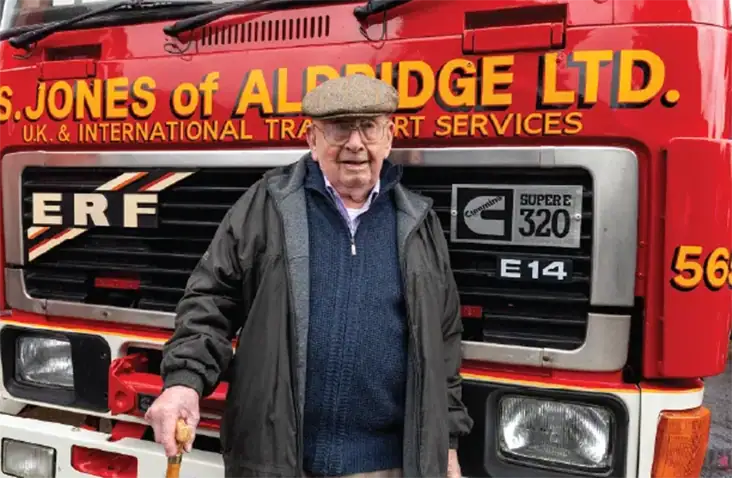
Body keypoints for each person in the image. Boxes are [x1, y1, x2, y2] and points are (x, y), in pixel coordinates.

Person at [144, 73, 474, 478]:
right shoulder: (267, 206)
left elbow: (443, 344)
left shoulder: (419, 223)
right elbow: (210, 301)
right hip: (279, 461)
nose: (355, 144)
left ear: (389, 137)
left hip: (387, 467)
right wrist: (184, 382)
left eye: (368, 128)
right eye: (338, 128)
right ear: (312, 138)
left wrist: (448, 444)